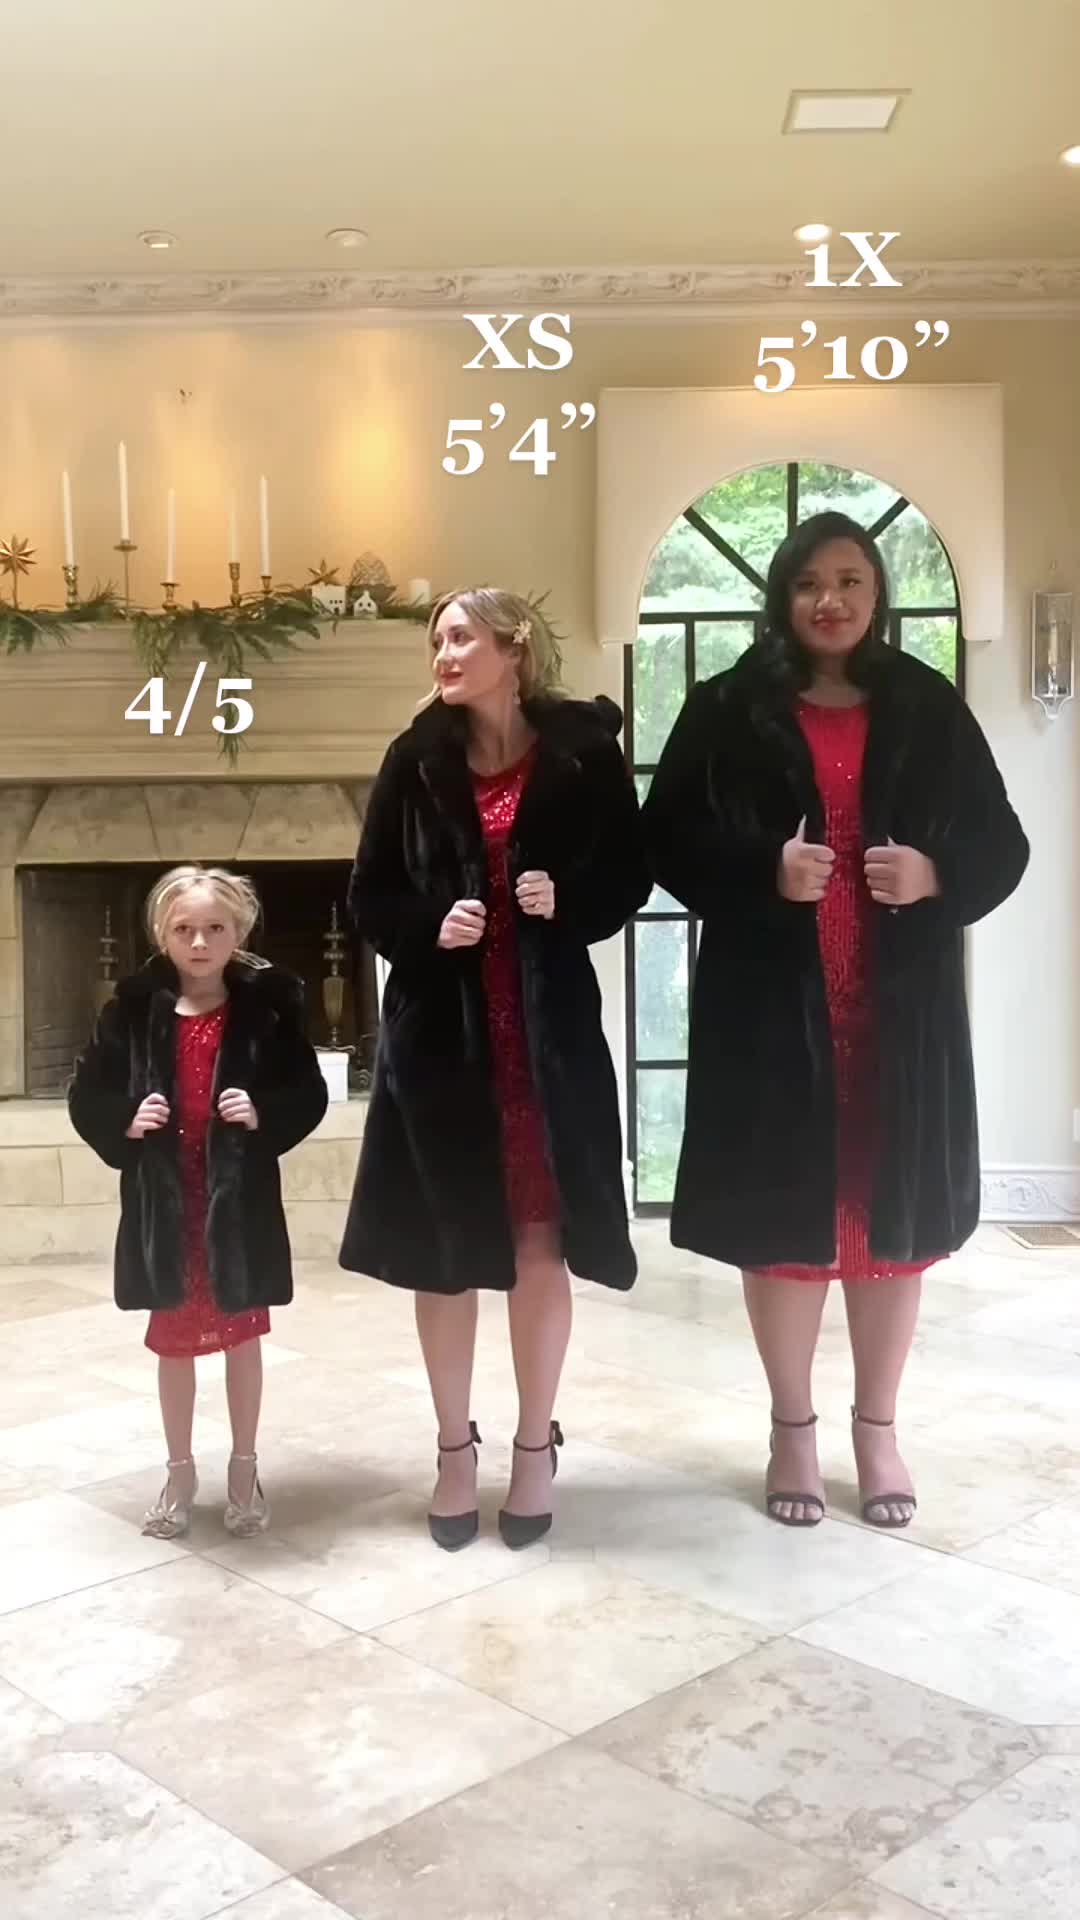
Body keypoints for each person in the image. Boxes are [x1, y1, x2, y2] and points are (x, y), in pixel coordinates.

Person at [642, 511, 1028, 1530]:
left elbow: (1004, 842)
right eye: (811, 581)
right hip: (772, 1005)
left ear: (876, 593)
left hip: (901, 1009)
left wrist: (936, 872)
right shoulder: (728, 707)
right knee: (783, 1220)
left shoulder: (928, 705)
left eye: (851, 580)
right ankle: (793, 1429)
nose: (831, 600)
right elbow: (663, 837)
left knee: (891, 1220)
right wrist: (760, 868)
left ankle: (879, 1429)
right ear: (783, 594)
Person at [340, 587, 650, 1550]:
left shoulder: (585, 754)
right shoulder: (413, 759)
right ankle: (452, 1451)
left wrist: (570, 897)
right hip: (440, 1046)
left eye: (461, 637)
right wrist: (429, 926)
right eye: (437, 640)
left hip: (548, 1044)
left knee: (537, 1245)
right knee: (446, 1253)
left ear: (513, 650)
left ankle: (533, 1446)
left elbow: (628, 875)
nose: (444, 653)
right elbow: (366, 897)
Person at [68, 864, 328, 1540]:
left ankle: (244, 1466)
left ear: (238, 932)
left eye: (215, 928)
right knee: (173, 1342)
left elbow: (308, 1090)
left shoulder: (267, 1011)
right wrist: (125, 1120)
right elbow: (87, 1092)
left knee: (241, 1335)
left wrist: (262, 1112)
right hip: (166, 1206)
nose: (200, 942)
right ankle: (179, 1469)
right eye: (184, 929)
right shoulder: (129, 1012)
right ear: (163, 934)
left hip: (238, 1208)